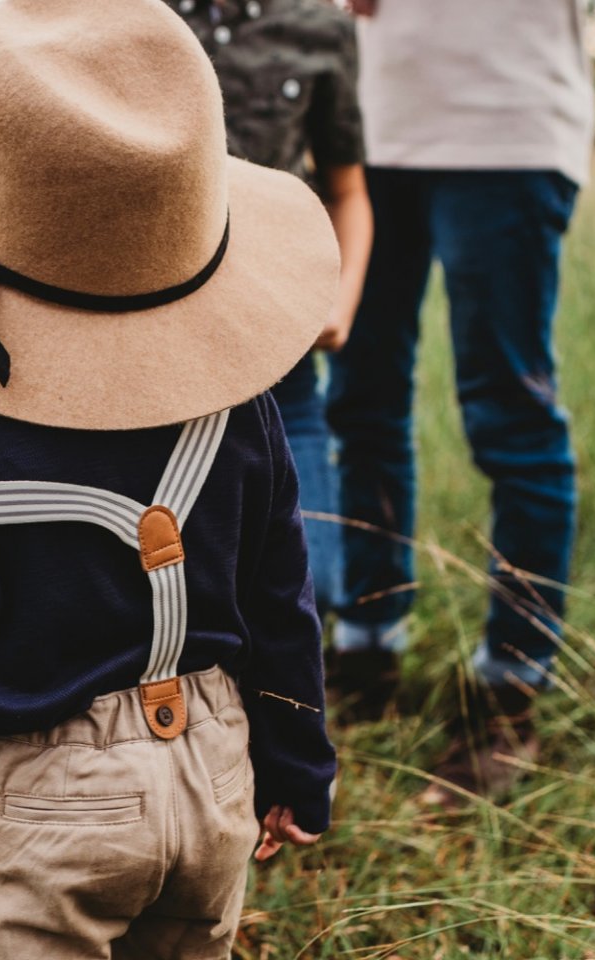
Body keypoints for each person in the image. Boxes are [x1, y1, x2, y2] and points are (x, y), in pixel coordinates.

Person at [0, 0, 339, 953]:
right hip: (217, 772)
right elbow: (284, 608)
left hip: (50, 804)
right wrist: (299, 767)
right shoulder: (247, 409)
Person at [326, 0, 595, 799]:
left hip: (507, 127)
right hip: (364, 127)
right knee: (359, 401)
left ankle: (510, 693)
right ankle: (365, 652)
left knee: (510, 415)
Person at [169, 0, 372, 624]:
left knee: (304, 579)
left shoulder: (322, 29)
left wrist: (340, 298)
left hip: (280, 354)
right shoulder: (135, 15)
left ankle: (299, 710)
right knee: (174, 574)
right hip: (154, 343)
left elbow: (347, 190)